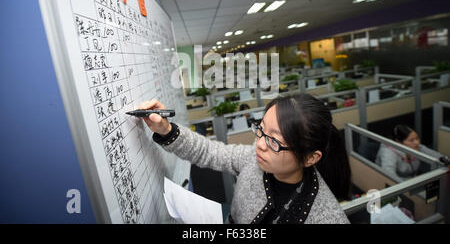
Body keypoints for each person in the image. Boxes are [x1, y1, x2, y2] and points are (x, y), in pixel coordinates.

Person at [139, 93, 351, 224]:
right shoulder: (255, 159)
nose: (260, 143)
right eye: (261, 130)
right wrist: (166, 130)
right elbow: (209, 152)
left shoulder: (327, 217)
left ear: (310, 158)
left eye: (274, 141)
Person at [375, 124, 444, 181]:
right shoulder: (388, 152)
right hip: (399, 185)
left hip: (412, 180)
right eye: (411, 140)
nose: (417, 142)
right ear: (399, 142)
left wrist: (445, 160)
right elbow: (390, 176)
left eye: (417, 138)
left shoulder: (416, 146)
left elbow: (435, 155)